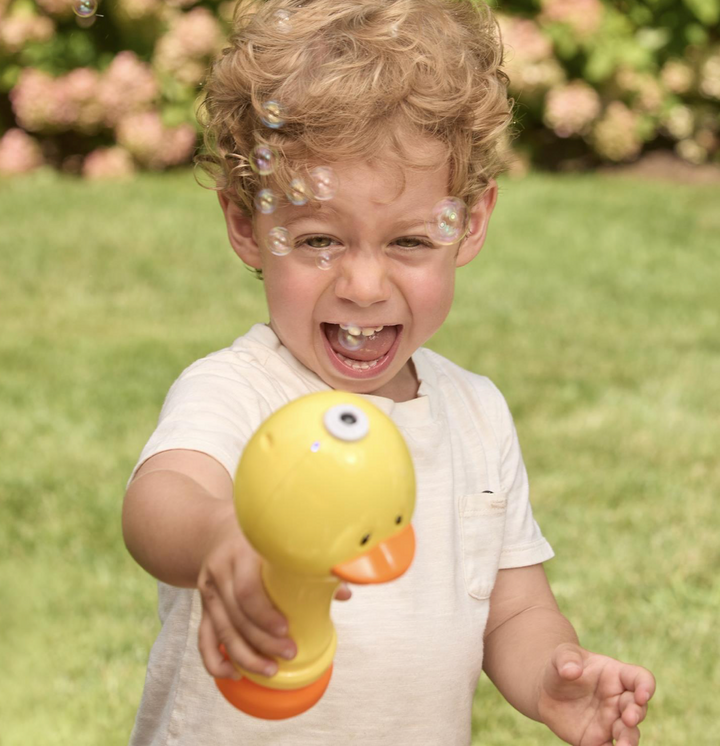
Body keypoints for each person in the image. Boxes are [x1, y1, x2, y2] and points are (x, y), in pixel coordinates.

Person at [121, 0, 656, 744]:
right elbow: (161, 500)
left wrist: (550, 674)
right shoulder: (239, 389)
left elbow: (513, 609)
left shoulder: (476, 414)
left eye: (407, 241)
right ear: (246, 225)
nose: (365, 286)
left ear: (469, 224)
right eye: (317, 240)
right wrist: (222, 537)